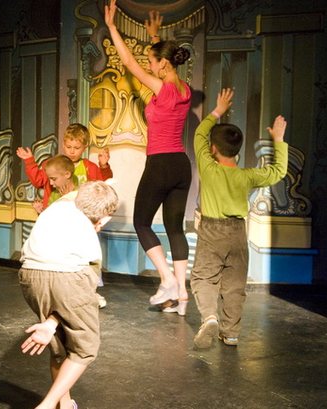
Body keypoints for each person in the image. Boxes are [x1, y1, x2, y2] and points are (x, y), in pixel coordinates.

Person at [105, 1, 193, 315]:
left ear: (162, 64)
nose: (150, 67)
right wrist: (155, 38)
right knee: (175, 229)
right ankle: (182, 295)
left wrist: (112, 27)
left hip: (160, 164)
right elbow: (162, 60)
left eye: (153, 63)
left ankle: (167, 279)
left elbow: (130, 63)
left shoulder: (162, 88)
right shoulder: (185, 90)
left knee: (142, 223)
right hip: (181, 166)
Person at [191, 88, 288, 349]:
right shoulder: (247, 176)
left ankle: (210, 317)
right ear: (237, 150)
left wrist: (217, 111)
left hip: (211, 231)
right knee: (234, 285)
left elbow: (199, 135)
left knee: (203, 277)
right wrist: (278, 139)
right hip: (237, 232)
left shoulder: (208, 167)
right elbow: (278, 171)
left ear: (213, 149)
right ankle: (231, 333)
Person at [19, 181, 119, 409]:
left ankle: (64, 405)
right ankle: (47, 405)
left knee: (59, 349)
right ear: (104, 219)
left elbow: (63, 302)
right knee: (85, 349)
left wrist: (51, 322)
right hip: (70, 277)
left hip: (30, 276)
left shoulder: (58, 207)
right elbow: (82, 289)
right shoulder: (89, 234)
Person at [17, 123, 113, 308]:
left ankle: (91, 293)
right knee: (57, 256)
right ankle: (60, 293)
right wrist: (29, 161)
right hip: (55, 220)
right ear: (63, 144)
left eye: (77, 147)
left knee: (82, 257)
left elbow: (102, 185)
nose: (72, 151)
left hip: (79, 221)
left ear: (85, 147)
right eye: (69, 146)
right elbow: (39, 180)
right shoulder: (53, 165)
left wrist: (104, 166)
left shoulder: (89, 167)